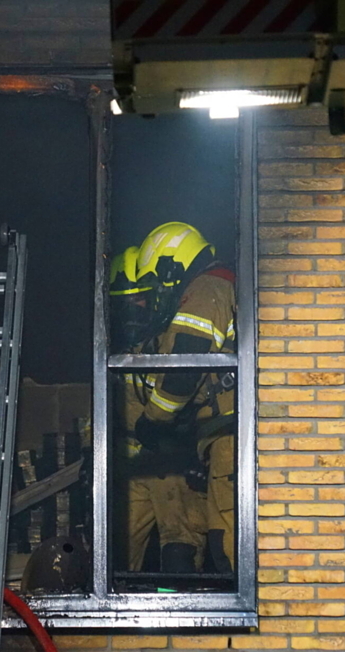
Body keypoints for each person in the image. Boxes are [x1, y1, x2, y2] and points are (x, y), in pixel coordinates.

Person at [132, 222, 237, 574]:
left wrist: (154, 420)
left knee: (229, 544)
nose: (159, 292)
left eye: (158, 281)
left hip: (229, 436)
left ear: (171, 267)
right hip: (221, 435)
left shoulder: (205, 289)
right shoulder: (223, 284)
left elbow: (184, 367)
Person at [109, 247, 207, 574]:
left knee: (180, 554)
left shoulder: (173, 340)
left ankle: (177, 607)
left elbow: (189, 394)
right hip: (129, 466)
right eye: (123, 302)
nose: (131, 310)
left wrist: (196, 454)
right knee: (113, 557)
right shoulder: (114, 354)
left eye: (139, 299)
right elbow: (104, 410)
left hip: (173, 462)